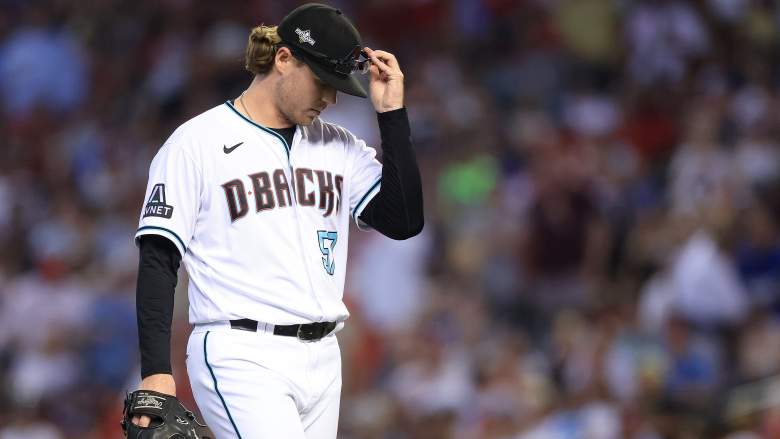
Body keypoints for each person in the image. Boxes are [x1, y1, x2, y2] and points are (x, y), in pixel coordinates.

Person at [130, 3, 423, 438]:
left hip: (324, 355)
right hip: (240, 351)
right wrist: (157, 371)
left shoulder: (337, 144)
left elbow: (404, 221)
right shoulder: (198, 142)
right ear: (284, 59)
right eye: (323, 81)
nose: (331, 98)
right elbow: (158, 257)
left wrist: (392, 116)